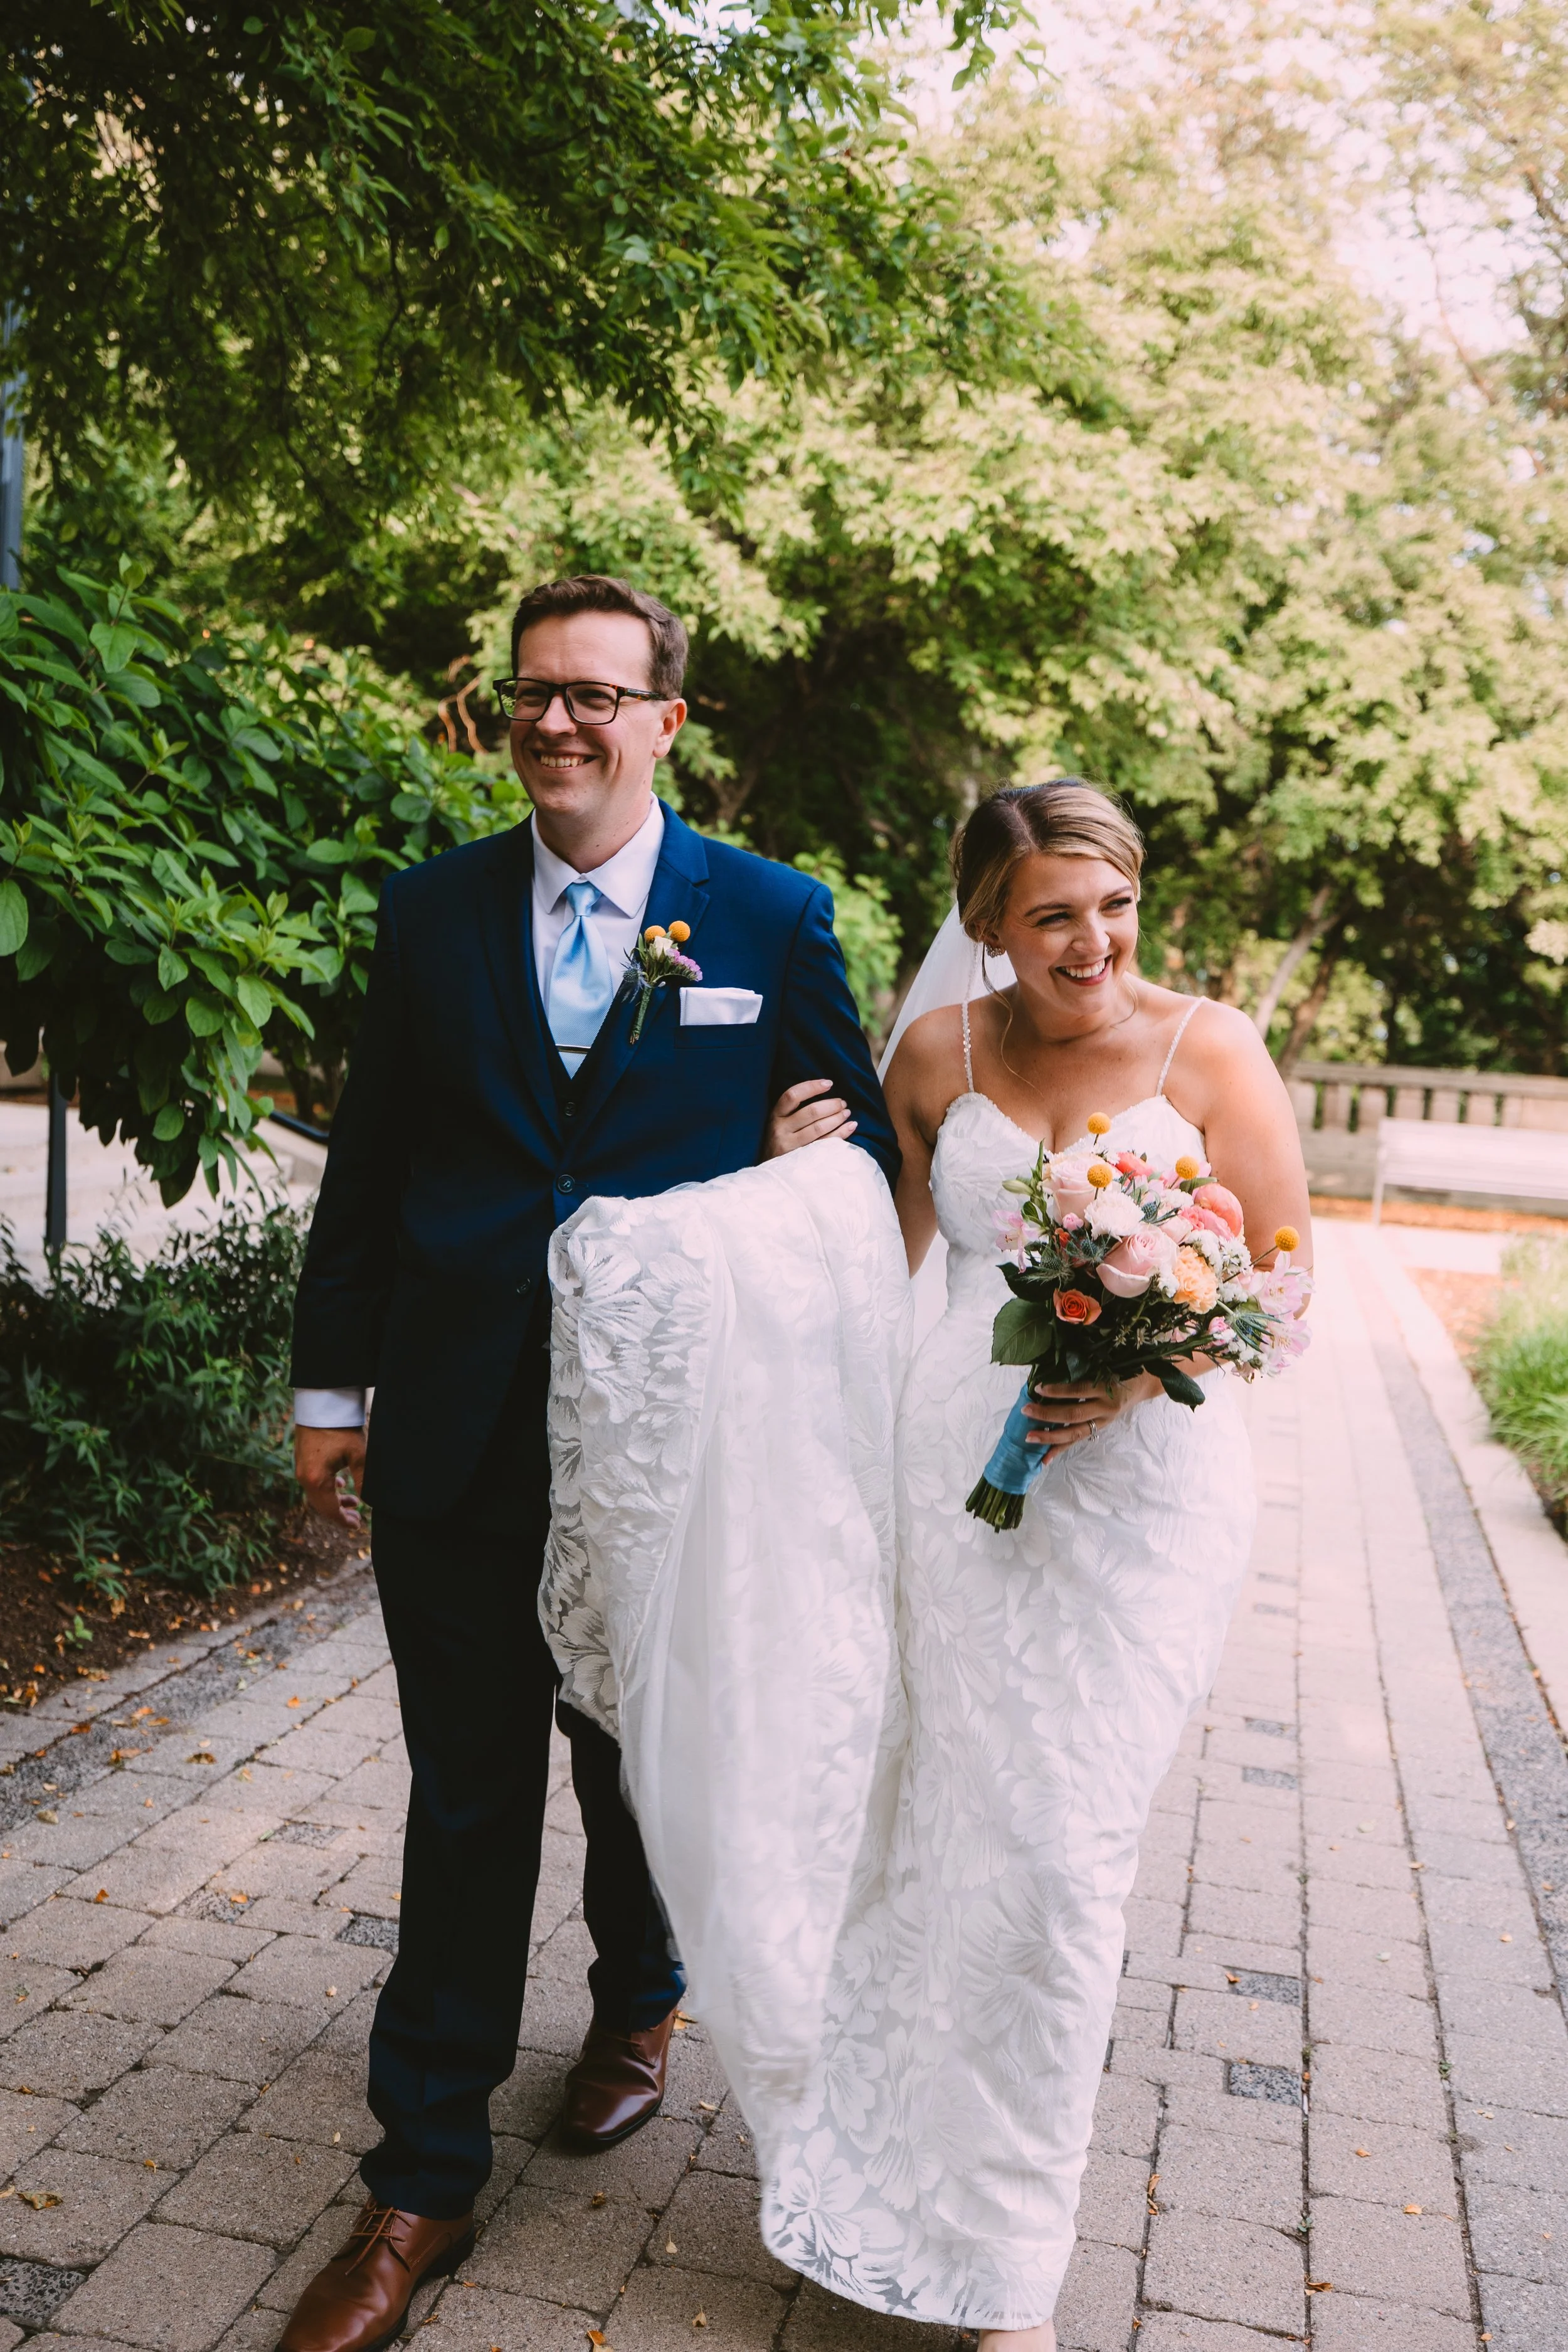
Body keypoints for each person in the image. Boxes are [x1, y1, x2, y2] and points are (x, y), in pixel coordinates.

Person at [541, 778, 1311, 2349]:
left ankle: (1007, 2262)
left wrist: (1154, 1359)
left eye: (1109, 905)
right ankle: (884, 2174)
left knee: (1051, 1863)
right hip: (938, 1485)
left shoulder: (1207, 1050)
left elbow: (1287, 1285)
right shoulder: (934, 1056)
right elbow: (870, 1265)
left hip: (1138, 1503)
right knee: (923, 1835)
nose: (1088, 941)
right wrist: (777, 1172)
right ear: (983, 927)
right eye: (1049, 916)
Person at [279, 573, 898, 2352]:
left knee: (638, 1755)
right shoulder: (431, 914)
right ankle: (422, 2177)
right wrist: (334, 1388)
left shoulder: (766, 917)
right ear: (509, 708)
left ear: (664, 722)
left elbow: (853, 1179)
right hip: (460, 1423)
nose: (564, 721)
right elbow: (371, 1167)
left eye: (600, 696)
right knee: (466, 1795)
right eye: (538, 691)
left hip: (670, 1440)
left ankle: (642, 1996)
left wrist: (797, 1164)